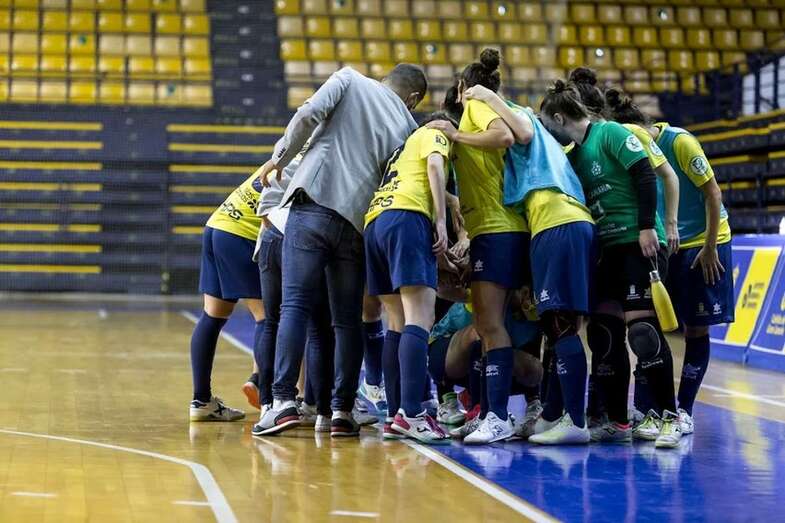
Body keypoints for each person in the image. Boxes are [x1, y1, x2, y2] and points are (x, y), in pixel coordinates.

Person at [253, 64, 425, 437]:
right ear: (412, 100)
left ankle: (283, 402)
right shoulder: (411, 130)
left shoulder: (349, 79)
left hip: (314, 201)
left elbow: (308, 114)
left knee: (295, 304)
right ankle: (341, 412)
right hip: (358, 224)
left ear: (385, 80)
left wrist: (279, 157)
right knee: (347, 321)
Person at [540, 80, 682, 449]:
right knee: (603, 335)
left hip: (639, 244)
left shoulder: (611, 133)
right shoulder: (572, 156)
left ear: (559, 117)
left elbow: (645, 175)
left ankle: (669, 416)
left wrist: (649, 227)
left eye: (547, 123)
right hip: (606, 252)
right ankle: (619, 421)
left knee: (643, 333)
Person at [461, 83, 597, 445]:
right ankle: (552, 415)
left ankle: (575, 422)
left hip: (555, 220)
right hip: (568, 220)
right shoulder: (549, 142)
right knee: (557, 326)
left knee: (561, 325)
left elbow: (516, 131)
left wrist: (486, 97)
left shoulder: (519, 116)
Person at [605, 89, 735, 436]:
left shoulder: (680, 143)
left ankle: (685, 410)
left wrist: (708, 248)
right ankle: (650, 409)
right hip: (666, 245)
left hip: (703, 243)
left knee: (695, 327)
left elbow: (713, 193)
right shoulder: (625, 151)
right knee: (650, 326)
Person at [426, 49, 524, 445]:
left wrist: (456, 135)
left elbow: (503, 134)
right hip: (493, 229)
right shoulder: (478, 109)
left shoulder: (475, 108)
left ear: (464, 87)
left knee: (490, 325)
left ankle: (497, 417)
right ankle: (491, 412)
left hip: (499, 229)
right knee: (487, 324)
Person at [364, 111, 454, 444]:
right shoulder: (433, 133)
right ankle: (413, 415)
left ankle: (395, 414)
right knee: (421, 317)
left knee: (397, 322)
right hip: (407, 216)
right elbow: (434, 166)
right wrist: (441, 220)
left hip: (374, 222)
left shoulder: (400, 151)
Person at [189, 171, 266, 422]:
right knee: (268, 318)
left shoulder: (285, 152)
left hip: (217, 225)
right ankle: (267, 396)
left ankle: (201, 401)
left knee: (213, 315)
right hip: (242, 233)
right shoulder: (314, 163)